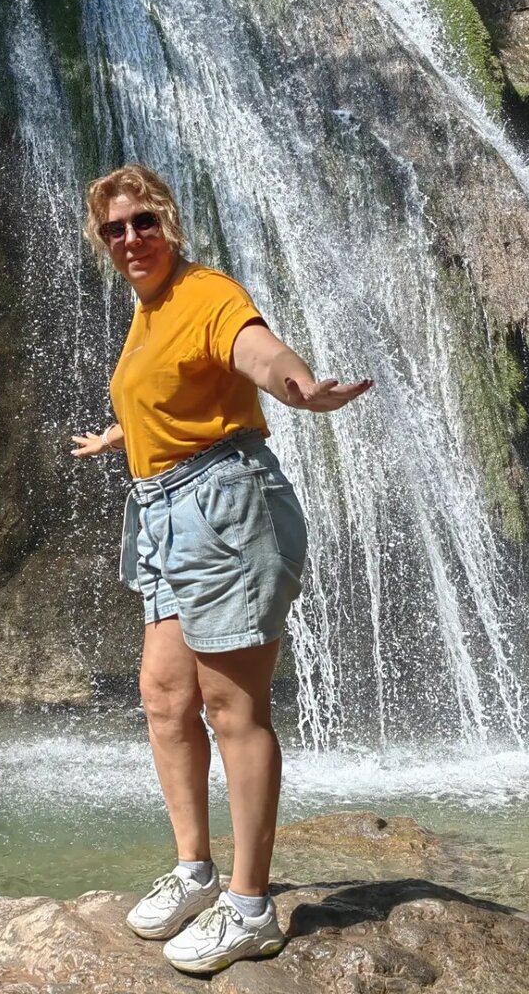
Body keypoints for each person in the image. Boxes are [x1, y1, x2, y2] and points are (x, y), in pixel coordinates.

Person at [71, 164, 372, 975]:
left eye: (142, 222)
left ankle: (250, 907)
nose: (130, 239)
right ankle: (196, 871)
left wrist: (300, 387)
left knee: (231, 705)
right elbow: (161, 397)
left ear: (168, 222)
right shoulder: (147, 312)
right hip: (165, 506)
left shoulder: (206, 291)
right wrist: (117, 438)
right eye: (114, 229)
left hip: (225, 505)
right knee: (165, 696)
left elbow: (255, 350)